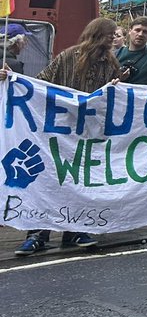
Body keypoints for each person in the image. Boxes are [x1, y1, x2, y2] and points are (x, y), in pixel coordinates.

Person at [7, 17, 121, 256]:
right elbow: (40, 82)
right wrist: (13, 81)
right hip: (58, 132)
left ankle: (75, 230)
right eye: (111, 34)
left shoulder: (110, 63)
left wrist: (117, 87)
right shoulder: (68, 57)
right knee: (49, 180)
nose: (114, 38)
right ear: (99, 34)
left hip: (87, 134)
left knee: (79, 181)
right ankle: (38, 233)